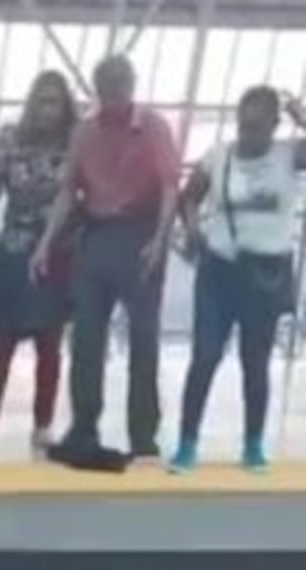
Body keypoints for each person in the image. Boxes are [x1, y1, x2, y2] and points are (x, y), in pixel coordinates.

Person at [32, 55, 180, 462]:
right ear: (98, 91)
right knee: (86, 338)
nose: (114, 97)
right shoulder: (85, 132)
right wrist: (46, 241)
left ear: (131, 87)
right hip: (97, 236)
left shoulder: (154, 128)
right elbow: (68, 191)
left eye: (120, 88)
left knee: (143, 337)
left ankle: (143, 433)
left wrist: (159, 238)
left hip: (140, 234)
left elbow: (170, 187)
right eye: (107, 90)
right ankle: (84, 427)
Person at [172, 87, 306, 475]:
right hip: (220, 271)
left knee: (255, 361)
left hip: (265, 273)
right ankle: (187, 443)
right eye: (243, 125)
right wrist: (194, 229)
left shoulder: (289, 156)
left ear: (273, 126)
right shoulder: (218, 157)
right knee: (206, 357)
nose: (249, 134)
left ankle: (252, 444)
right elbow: (188, 198)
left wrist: (302, 116)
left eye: (258, 127)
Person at [0, 71, 78, 451]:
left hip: (60, 252)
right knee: (3, 339)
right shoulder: (10, 140)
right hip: (14, 250)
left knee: (50, 342)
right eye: (42, 101)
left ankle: (43, 424)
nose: (48, 110)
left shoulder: (77, 143)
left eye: (56, 102)